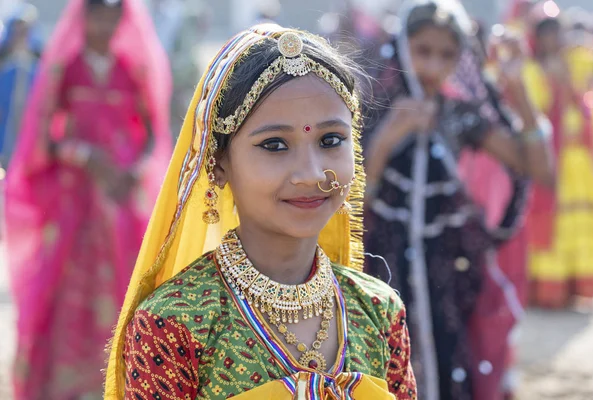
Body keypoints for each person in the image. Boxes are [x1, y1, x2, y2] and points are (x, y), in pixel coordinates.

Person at [104, 25, 417, 400]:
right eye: (274, 145)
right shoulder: (176, 322)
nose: (311, 174)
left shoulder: (379, 312)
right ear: (218, 164)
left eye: (330, 140)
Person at [363, 1, 553, 399]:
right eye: (423, 51)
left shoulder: (455, 113)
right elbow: (347, 200)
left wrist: (517, 88)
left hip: (446, 271)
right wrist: (386, 138)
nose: (432, 66)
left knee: (447, 358)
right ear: (401, 48)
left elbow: (537, 168)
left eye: (446, 55)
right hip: (379, 268)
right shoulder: (371, 106)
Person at [5, 0, 171, 398]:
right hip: (75, 203)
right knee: (66, 291)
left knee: (128, 287)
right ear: (83, 16)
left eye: (113, 13)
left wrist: (134, 171)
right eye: (97, 12)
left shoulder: (132, 69)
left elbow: (153, 133)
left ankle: (124, 378)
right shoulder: (67, 69)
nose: (105, 21)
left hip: (119, 202)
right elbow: (44, 139)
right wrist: (85, 156)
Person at [524, 3, 593, 308]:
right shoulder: (532, 70)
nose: (553, 40)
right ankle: (546, 288)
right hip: (548, 157)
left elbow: (585, 78)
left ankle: (574, 283)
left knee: (576, 218)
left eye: (557, 33)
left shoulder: (574, 62)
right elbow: (534, 111)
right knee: (548, 218)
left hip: (575, 158)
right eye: (547, 34)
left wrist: (565, 76)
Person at [0, 3, 41, 169]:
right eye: (16, 30)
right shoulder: (4, 68)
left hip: (27, 148)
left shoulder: (37, 69)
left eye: (24, 30)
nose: (20, 35)